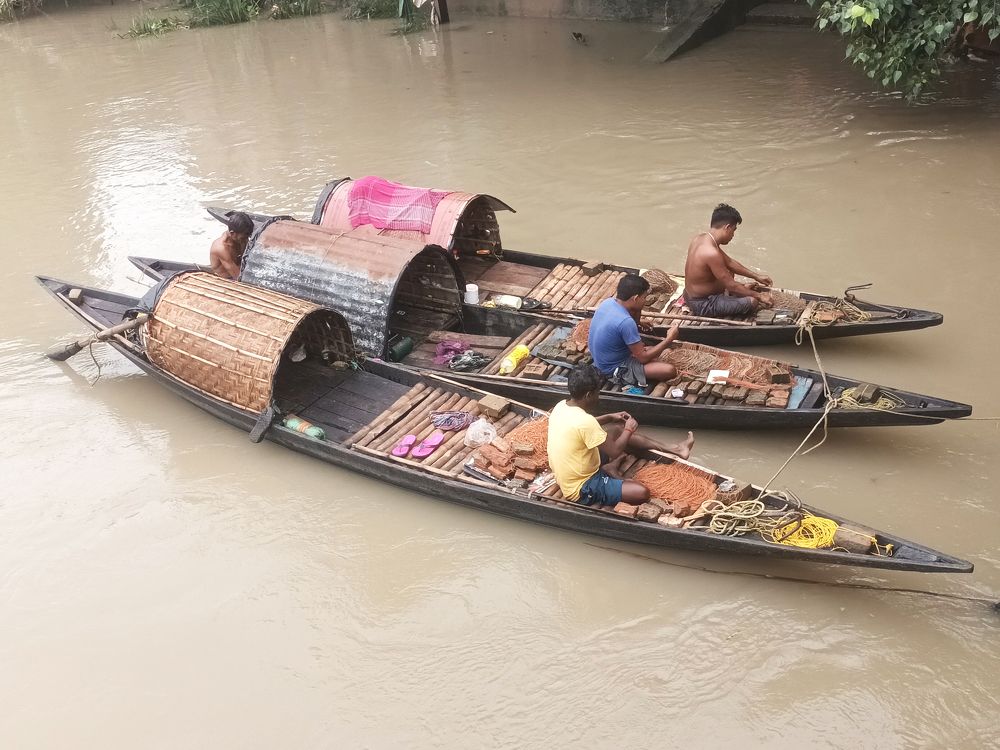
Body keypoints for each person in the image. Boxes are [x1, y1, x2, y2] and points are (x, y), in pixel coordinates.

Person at [547, 365, 695, 507]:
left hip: (577, 466)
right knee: (642, 492)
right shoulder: (585, 422)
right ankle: (611, 472)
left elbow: (580, 427)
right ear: (588, 395)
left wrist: (609, 417)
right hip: (582, 487)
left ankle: (676, 449)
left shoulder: (562, 405)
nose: (598, 396)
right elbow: (615, 451)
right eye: (597, 392)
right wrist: (629, 430)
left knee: (617, 429)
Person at [588, 274, 679, 392]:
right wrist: (669, 339)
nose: (645, 301)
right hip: (612, 369)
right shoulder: (626, 322)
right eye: (644, 298)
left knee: (656, 351)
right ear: (635, 298)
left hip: (603, 359)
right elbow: (643, 358)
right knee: (669, 370)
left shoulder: (608, 302)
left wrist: (639, 320)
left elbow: (628, 320)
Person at [683, 203, 774, 318]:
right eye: (733, 230)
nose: (733, 235)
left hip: (691, 294)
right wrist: (759, 296)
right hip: (702, 303)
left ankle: (734, 293)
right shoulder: (711, 253)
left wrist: (756, 276)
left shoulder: (701, 239)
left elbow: (729, 262)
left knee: (729, 271)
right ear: (727, 228)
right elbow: (732, 286)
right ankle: (732, 295)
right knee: (752, 302)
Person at [209, 212, 253, 280]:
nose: (246, 240)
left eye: (247, 237)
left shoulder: (242, 239)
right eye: (243, 238)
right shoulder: (221, 248)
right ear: (232, 233)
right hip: (226, 280)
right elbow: (237, 277)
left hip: (240, 272)